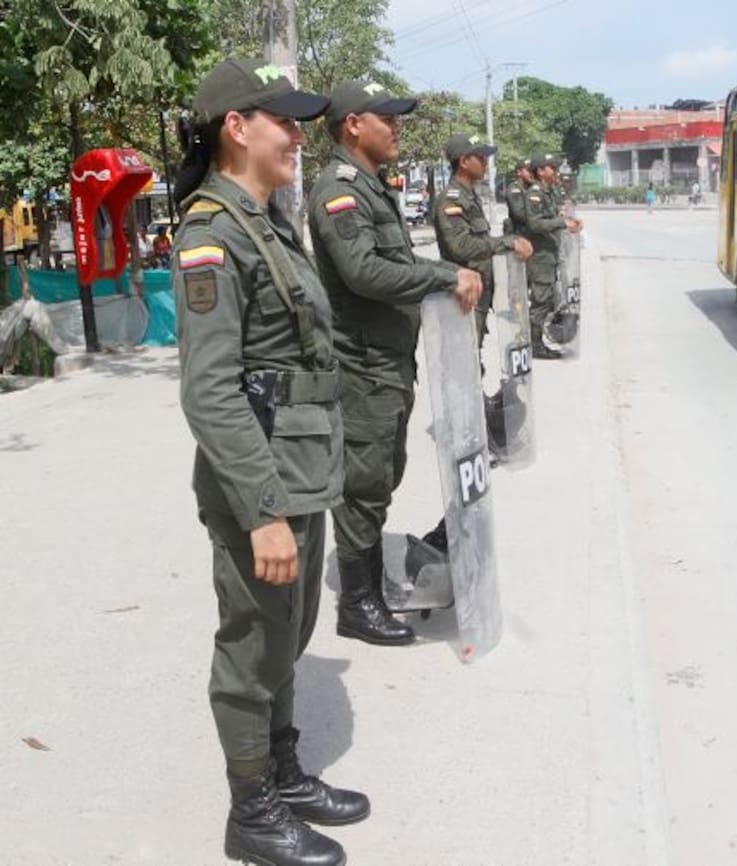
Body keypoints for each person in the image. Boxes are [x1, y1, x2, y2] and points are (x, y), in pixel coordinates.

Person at [171, 58, 361, 866]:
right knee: (254, 640)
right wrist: (263, 511)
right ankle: (250, 812)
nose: (296, 133)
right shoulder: (211, 234)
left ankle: (281, 771)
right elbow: (209, 393)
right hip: (261, 483)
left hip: (300, 468)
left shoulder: (267, 220)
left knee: (291, 629)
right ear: (235, 127)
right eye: (281, 119)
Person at [307, 80, 481, 645]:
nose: (397, 126)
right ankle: (357, 604)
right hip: (361, 366)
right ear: (354, 124)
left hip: (386, 362)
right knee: (363, 482)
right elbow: (365, 273)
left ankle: (369, 581)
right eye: (387, 117)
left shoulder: (372, 186)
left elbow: (395, 262)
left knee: (382, 475)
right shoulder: (338, 188)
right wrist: (445, 275)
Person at [433, 133, 533, 348]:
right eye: (480, 157)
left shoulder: (469, 196)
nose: (486, 163)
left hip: (479, 293)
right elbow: (461, 247)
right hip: (462, 296)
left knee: (472, 357)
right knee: (462, 361)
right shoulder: (451, 199)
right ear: (463, 162)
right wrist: (507, 243)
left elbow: (480, 241)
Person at [522, 153, 582, 358]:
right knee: (540, 300)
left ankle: (536, 342)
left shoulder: (547, 193)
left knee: (546, 298)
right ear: (540, 171)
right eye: (551, 168)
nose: (555, 172)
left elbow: (550, 218)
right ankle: (535, 345)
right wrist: (561, 222)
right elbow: (535, 223)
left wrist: (564, 219)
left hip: (549, 254)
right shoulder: (535, 193)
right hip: (540, 256)